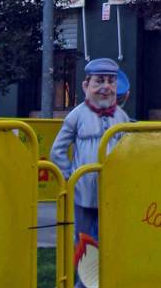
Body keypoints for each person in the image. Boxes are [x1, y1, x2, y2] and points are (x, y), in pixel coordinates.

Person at [50, 58, 131, 257]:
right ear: (86, 85)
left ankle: (109, 275)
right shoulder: (77, 116)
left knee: (111, 232)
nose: (106, 87)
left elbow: (128, 149)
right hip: (83, 189)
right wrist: (70, 176)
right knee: (83, 235)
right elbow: (58, 149)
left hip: (112, 188)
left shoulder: (121, 117)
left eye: (111, 81)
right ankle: (82, 279)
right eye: (99, 81)